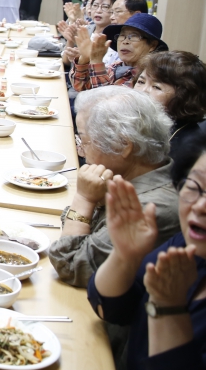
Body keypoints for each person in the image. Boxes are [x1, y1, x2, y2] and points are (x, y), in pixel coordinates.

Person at [85, 133, 206, 370]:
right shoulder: (189, 248)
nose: (200, 206)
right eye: (194, 186)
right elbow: (111, 309)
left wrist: (168, 308)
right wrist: (125, 256)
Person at [49, 86, 180, 288]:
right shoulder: (129, 179)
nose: (81, 151)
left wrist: (84, 199)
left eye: (83, 140)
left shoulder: (150, 207)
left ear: (122, 145)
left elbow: (71, 264)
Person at [135, 51, 206, 167]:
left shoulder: (191, 148)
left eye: (156, 87)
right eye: (141, 82)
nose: (142, 91)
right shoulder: (139, 123)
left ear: (184, 97)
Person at [67, 12, 166, 91]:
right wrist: (84, 59)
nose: (125, 41)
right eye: (122, 35)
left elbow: (107, 105)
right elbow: (80, 86)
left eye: (134, 36)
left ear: (152, 45)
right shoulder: (116, 66)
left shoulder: (147, 76)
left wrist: (96, 61)